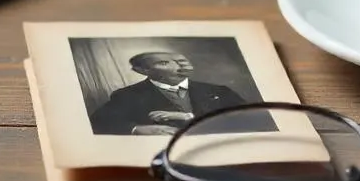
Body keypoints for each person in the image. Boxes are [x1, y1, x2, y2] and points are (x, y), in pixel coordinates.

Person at [89, 50, 245, 136]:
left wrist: (189, 116)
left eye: (179, 62)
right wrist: (137, 129)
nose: (178, 67)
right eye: (164, 63)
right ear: (142, 70)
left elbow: (251, 118)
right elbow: (99, 122)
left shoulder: (219, 91)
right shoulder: (127, 95)